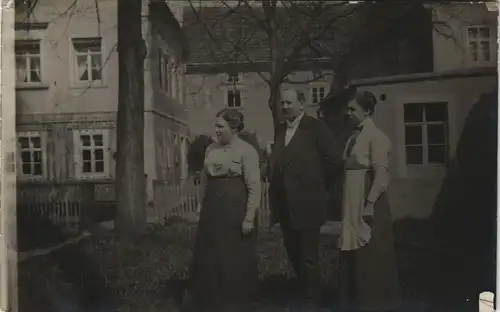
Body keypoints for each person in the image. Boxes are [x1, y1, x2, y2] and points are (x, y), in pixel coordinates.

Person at [266, 88, 343, 309]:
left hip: (308, 204)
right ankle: (305, 292)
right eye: (282, 103)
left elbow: (335, 162)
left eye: (288, 103)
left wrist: (316, 185)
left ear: (302, 103)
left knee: (308, 257)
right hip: (285, 205)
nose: (284, 107)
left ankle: (312, 302)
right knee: (294, 254)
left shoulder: (316, 128)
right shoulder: (280, 129)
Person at [186, 108, 261, 312]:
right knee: (211, 254)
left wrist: (249, 217)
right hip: (213, 209)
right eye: (216, 126)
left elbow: (254, 186)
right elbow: (204, 180)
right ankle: (210, 300)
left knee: (233, 256)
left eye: (221, 126)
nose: (216, 130)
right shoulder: (211, 149)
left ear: (234, 128)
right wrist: (202, 205)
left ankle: (235, 302)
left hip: (235, 210)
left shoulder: (247, 151)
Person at [337, 90, 401, 312]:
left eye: (353, 109)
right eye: (348, 108)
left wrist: (370, 203)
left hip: (366, 200)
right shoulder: (353, 136)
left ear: (368, 111)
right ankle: (352, 302)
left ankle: (374, 304)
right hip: (352, 200)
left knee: (371, 253)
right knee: (351, 250)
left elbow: (381, 174)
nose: (348, 112)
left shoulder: (377, 137)